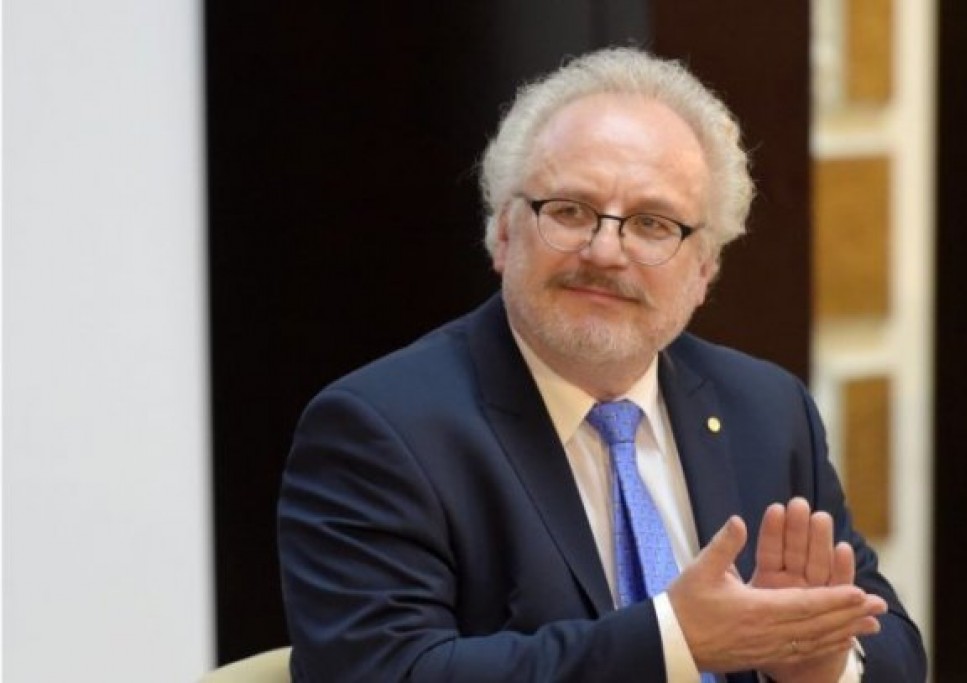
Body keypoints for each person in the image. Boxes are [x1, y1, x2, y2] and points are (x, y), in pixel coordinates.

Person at [278, 47, 926, 682]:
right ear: (502, 232)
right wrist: (674, 640)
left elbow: (892, 643)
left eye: (652, 224)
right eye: (569, 211)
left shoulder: (765, 408)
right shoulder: (381, 431)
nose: (605, 251)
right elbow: (386, 671)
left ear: (704, 271)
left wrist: (820, 663)